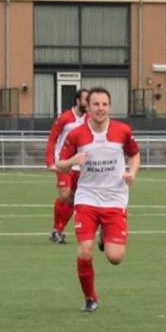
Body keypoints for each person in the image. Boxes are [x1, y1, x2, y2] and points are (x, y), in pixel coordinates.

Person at [54, 88, 139, 311]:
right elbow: (60, 164)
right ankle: (90, 298)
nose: (100, 108)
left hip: (115, 199)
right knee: (84, 250)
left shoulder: (122, 131)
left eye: (104, 104)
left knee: (116, 257)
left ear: (109, 107)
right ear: (88, 108)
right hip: (87, 198)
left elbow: (135, 153)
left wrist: (132, 171)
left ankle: (105, 235)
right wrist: (73, 159)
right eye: (96, 104)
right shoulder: (76, 134)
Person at [45, 88, 89, 244]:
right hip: (63, 162)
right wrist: (50, 162)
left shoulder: (90, 119)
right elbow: (52, 139)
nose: (89, 103)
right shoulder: (65, 118)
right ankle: (57, 230)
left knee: (73, 199)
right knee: (65, 194)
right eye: (86, 100)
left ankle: (57, 231)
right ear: (78, 101)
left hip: (80, 166)